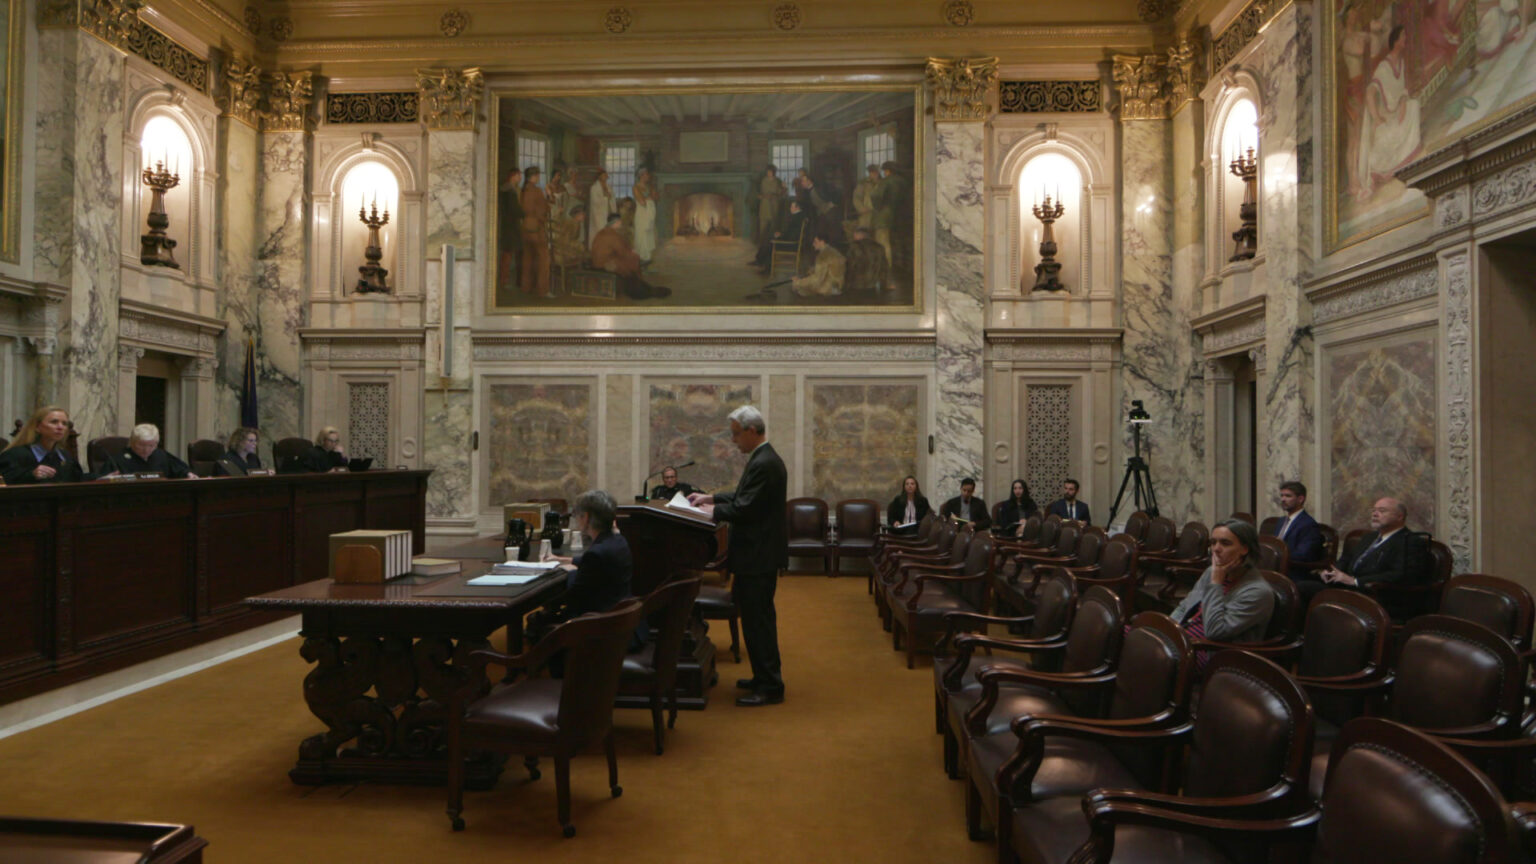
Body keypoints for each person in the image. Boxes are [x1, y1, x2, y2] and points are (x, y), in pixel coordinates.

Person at [687, 405, 787, 707]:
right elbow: (743, 494)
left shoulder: (765, 462)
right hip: (755, 556)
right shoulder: (762, 458)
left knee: (759, 622)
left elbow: (745, 509)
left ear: (752, 431)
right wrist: (713, 498)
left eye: (735, 434)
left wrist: (712, 511)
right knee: (755, 620)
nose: (733, 441)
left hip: (758, 556)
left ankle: (770, 686)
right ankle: (762, 677)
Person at [536, 490, 638, 675]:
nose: (576, 519)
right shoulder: (618, 540)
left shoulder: (597, 553)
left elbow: (576, 596)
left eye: (577, 515)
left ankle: (549, 681)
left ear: (587, 517)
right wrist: (565, 561)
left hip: (602, 625)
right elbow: (595, 561)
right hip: (623, 621)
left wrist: (546, 600)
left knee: (541, 622)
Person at [1169, 519, 1274, 667]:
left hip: (1213, 654)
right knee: (1132, 635)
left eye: (1225, 543)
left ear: (1245, 548)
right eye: (1213, 542)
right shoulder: (1211, 572)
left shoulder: (1258, 592)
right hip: (1184, 638)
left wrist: (1216, 584)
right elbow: (1184, 606)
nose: (1216, 549)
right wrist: (1166, 630)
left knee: (1151, 655)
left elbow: (1214, 631)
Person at [1309, 497, 1432, 618]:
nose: (1375, 514)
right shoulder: (1369, 537)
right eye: (1373, 510)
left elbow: (1401, 574)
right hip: (1348, 588)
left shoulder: (1410, 541)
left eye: (1382, 511)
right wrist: (1332, 572)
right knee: (1304, 588)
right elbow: (1347, 559)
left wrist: (1355, 581)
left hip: (1379, 594)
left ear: (1400, 517)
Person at [591, 213, 671, 300]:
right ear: (616, 222)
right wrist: (633, 254)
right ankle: (638, 288)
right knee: (632, 260)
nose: (621, 223)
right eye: (620, 221)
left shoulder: (603, 232)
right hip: (605, 264)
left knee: (629, 260)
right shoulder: (612, 235)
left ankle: (640, 286)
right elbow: (622, 251)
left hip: (600, 261)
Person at [0, 406, 85, 484]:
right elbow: (5, 481)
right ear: (37, 427)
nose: (60, 427)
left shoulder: (64, 456)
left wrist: (97, 478)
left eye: (64, 424)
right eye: (54, 422)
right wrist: (31, 475)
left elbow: (78, 479)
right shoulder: (15, 455)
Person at [1265, 480, 1323, 584]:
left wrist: (1276, 557)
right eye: (1282, 495)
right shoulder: (1281, 521)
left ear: (1300, 499)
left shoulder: (1308, 524)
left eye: (1288, 496)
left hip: (1294, 574)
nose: (1283, 499)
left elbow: (1303, 555)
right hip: (1275, 569)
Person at [101, 424, 196, 479]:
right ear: (132, 443)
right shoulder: (118, 459)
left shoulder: (161, 455)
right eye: (141, 445)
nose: (146, 449)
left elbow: (181, 470)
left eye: (151, 445)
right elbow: (102, 479)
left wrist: (188, 474)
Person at [519, 166, 551, 298]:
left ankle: (526, 288)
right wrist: (548, 196)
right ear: (533, 176)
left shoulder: (522, 190)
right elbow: (542, 210)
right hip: (536, 228)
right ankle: (542, 290)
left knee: (528, 258)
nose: (539, 178)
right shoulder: (537, 191)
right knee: (544, 259)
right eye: (537, 175)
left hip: (525, 227)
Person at [496, 166, 523, 302]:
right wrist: (525, 213)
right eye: (519, 175)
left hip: (511, 226)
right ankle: (504, 281)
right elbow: (515, 210)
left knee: (509, 254)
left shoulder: (511, 190)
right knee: (507, 255)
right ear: (513, 176)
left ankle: (506, 281)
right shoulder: (508, 191)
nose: (520, 178)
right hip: (509, 227)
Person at [790, 233, 844, 298]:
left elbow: (817, 278)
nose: (813, 244)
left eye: (815, 242)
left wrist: (798, 282)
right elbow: (829, 268)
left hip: (829, 288)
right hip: (838, 285)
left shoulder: (822, 256)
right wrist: (813, 270)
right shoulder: (831, 251)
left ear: (822, 242)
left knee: (797, 287)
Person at [843, 226, 891, 295]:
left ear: (860, 235)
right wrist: (886, 284)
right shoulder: (879, 247)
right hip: (874, 285)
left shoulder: (854, 247)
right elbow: (885, 267)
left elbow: (849, 267)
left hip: (857, 286)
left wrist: (845, 285)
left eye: (854, 235)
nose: (853, 238)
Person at [756, 164, 786, 247]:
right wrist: (761, 196)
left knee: (773, 226)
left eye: (770, 172)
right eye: (767, 171)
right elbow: (759, 193)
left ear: (774, 172)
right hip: (764, 205)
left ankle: (772, 247)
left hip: (773, 204)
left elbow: (781, 194)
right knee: (763, 226)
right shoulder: (763, 180)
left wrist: (783, 188)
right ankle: (762, 246)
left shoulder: (777, 181)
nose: (769, 173)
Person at [633, 168, 657, 263]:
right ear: (641, 176)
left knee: (648, 233)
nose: (648, 177)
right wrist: (649, 198)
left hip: (650, 212)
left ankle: (647, 257)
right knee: (641, 232)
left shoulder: (650, 187)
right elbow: (642, 202)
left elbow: (656, 197)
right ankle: (641, 257)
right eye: (647, 175)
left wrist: (649, 197)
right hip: (641, 213)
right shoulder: (636, 187)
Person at [587, 169, 612, 248]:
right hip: (598, 214)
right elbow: (595, 201)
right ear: (600, 177)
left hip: (608, 212)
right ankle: (598, 249)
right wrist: (605, 197)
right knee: (600, 231)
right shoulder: (594, 188)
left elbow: (611, 197)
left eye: (606, 175)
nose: (606, 177)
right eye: (604, 175)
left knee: (608, 231)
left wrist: (609, 197)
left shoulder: (609, 187)